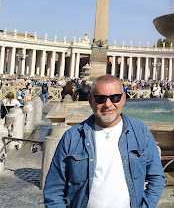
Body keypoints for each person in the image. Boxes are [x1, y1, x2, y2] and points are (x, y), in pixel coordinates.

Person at [43, 75, 165, 207]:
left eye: (115, 98)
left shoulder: (141, 132)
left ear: (123, 99)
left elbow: (156, 177)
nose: (108, 104)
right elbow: (53, 190)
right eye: (100, 99)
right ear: (90, 100)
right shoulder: (72, 137)